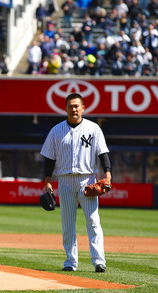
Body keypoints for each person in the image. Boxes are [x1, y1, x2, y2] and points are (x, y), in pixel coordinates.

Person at [40, 93, 111, 273]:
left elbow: (103, 154)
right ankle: (70, 262)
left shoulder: (93, 129)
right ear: (65, 108)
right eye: (70, 106)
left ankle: (98, 261)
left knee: (93, 221)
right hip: (64, 180)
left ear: (83, 108)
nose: (74, 109)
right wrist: (48, 182)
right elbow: (49, 159)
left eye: (77, 106)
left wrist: (108, 175)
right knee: (68, 223)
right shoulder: (56, 131)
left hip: (87, 179)